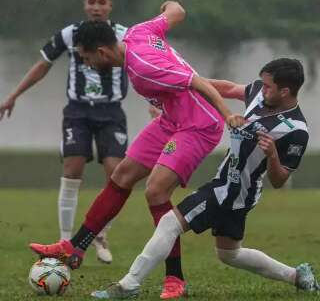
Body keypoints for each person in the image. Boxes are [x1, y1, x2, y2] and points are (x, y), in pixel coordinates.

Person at [29, 0, 246, 299]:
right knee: (122, 174)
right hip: (172, 119)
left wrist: (227, 114)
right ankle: (74, 246)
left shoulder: (142, 67)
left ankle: (175, 278)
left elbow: (196, 82)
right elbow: (177, 11)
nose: (87, 64)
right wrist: (168, 4)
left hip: (197, 125)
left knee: (156, 191)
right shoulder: (139, 31)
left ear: (102, 52)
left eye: (86, 58)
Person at [86, 58, 319, 299]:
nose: (262, 88)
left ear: (285, 91)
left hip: (230, 190)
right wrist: (179, 88)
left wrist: (271, 155)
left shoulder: (296, 130)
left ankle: (128, 285)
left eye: (268, 86)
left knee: (169, 223)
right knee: (229, 254)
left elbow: (280, 180)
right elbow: (227, 89)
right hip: (234, 189)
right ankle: (296, 276)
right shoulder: (261, 93)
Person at [0, 0, 129, 264]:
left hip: (111, 111)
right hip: (78, 111)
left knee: (116, 172)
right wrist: (13, 95)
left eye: (101, 2)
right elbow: (43, 64)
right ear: (85, 4)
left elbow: (142, 67)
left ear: (110, 6)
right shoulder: (70, 34)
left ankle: (101, 234)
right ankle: (65, 241)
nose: (96, 7)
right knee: (72, 168)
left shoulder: (124, 35)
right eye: (92, 2)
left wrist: (155, 102)